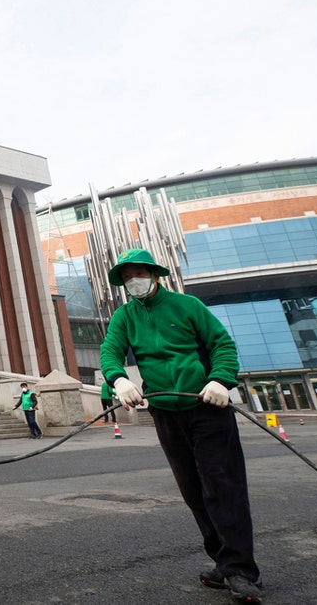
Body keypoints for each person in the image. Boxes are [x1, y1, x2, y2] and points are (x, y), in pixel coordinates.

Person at [99, 248, 264, 604]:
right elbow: (110, 352)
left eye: (138, 274)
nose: (133, 282)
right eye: (126, 278)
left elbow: (222, 344)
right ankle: (223, 561)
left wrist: (221, 380)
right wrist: (118, 379)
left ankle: (241, 571)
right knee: (193, 491)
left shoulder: (188, 306)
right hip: (164, 411)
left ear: (154, 274)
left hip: (206, 407)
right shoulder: (124, 316)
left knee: (222, 487)